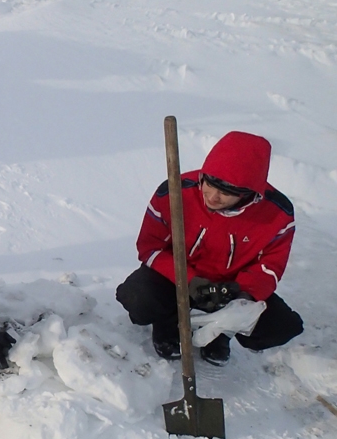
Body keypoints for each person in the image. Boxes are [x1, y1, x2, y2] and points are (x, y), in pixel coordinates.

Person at [116, 131, 303, 366]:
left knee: (281, 326)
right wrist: (189, 280)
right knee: (139, 297)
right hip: (177, 277)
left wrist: (242, 296)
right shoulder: (174, 192)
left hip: (230, 288)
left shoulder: (277, 214)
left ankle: (221, 332)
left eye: (225, 192)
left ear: (249, 193)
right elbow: (149, 247)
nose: (213, 197)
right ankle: (168, 324)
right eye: (209, 184)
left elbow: (270, 266)